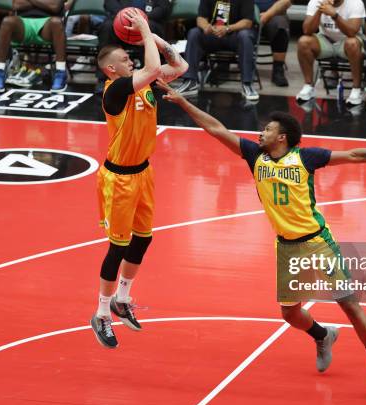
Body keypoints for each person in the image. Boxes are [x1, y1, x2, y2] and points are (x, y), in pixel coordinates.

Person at [158, 79, 366, 403]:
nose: (261, 133)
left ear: (281, 136)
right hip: (286, 247)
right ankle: (323, 335)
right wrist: (183, 102)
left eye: (267, 129)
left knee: (350, 305)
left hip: (317, 242)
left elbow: (354, 155)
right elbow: (215, 128)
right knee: (290, 315)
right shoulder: (254, 156)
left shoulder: (306, 158)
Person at [90, 9, 188, 349]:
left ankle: (122, 298)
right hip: (117, 179)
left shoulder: (145, 86)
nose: (129, 60)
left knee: (142, 240)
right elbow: (149, 68)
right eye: (123, 58)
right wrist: (145, 31)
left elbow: (180, 67)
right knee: (117, 246)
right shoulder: (115, 90)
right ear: (110, 68)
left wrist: (156, 40)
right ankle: (101, 313)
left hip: (143, 173)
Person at [173, 0, 260, 101]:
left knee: (245, 36)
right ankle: (190, 81)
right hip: (214, 34)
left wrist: (227, 28)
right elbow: (200, 18)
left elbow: (247, 22)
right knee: (194, 33)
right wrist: (206, 27)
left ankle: (247, 84)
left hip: (235, 35)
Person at [296, 0, 366, 105]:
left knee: (352, 43)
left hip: (347, 41)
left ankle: (356, 89)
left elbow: (351, 32)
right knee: (303, 41)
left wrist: (334, 15)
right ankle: (308, 86)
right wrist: (320, 10)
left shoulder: (355, 2)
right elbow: (307, 30)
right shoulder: (315, 1)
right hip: (326, 40)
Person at [95, 0, 172, 94]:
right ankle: (104, 78)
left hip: (149, 21)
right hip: (120, 21)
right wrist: (126, 17)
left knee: (149, 27)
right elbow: (110, 3)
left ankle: (152, 80)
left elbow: (164, 8)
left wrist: (140, 18)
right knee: (106, 27)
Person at [0, 0, 67, 93]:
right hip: (23, 22)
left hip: (47, 22)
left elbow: (54, 6)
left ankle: (61, 73)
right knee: (7, 21)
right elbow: (16, 5)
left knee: (56, 22)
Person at [255, 0, 291, 87]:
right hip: (245, 12)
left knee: (280, 25)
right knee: (225, 16)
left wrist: (268, 14)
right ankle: (224, 62)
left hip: (274, 14)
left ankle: (278, 70)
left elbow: (286, 2)